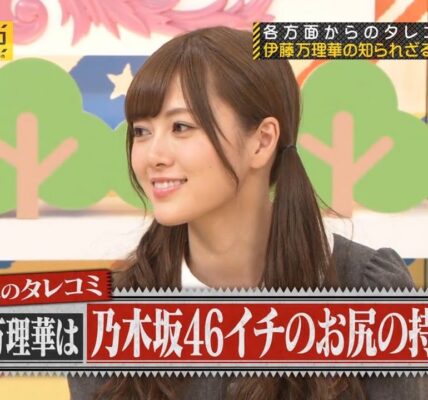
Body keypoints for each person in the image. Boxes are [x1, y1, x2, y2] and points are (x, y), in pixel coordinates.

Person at [68, 26, 426, 399]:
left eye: (181, 127)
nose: (152, 155)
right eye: (141, 131)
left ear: (262, 141)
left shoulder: (370, 294)